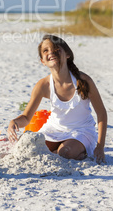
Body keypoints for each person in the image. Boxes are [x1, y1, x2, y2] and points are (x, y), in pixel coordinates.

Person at [8, 35, 107, 163]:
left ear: (67, 54)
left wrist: (100, 146)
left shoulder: (84, 81)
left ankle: (74, 151)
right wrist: (14, 123)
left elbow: (101, 113)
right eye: (46, 50)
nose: (51, 52)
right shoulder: (43, 85)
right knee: (30, 146)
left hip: (81, 131)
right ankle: (57, 151)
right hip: (53, 129)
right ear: (42, 61)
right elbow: (26, 118)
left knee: (65, 152)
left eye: (56, 49)